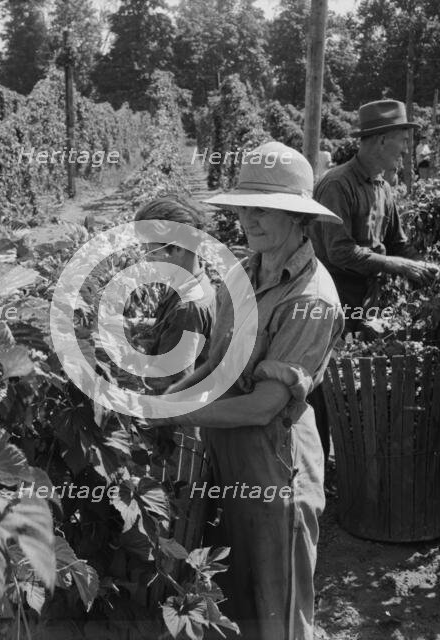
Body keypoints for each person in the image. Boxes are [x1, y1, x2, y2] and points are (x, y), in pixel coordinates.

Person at [149, 142, 344, 639]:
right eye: (243, 207)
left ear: (299, 220)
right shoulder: (243, 272)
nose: (248, 219)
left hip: (278, 461)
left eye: (263, 209)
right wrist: (168, 394)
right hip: (231, 448)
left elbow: (265, 406)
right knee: (242, 587)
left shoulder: (311, 299)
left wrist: (176, 414)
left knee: (281, 600)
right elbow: (217, 365)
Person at [307, 100, 440, 323]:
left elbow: (397, 243)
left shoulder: (383, 188)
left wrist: (424, 266)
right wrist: (398, 265)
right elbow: (340, 252)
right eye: (403, 141)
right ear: (382, 140)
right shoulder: (337, 185)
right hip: (332, 301)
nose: (407, 150)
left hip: (368, 301)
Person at [134, 196, 216, 393]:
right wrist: (137, 325)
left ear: (178, 248)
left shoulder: (187, 308)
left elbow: (173, 382)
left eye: (152, 252)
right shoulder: (195, 284)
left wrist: (122, 363)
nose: (147, 259)